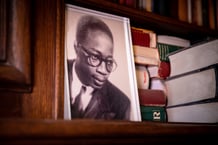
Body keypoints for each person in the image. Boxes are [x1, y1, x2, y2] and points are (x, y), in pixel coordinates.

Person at [67, 15, 130, 120]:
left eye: (109, 61)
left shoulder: (121, 104)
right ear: (76, 48)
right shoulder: (54, 72)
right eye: (95, 57)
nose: (103, 70)